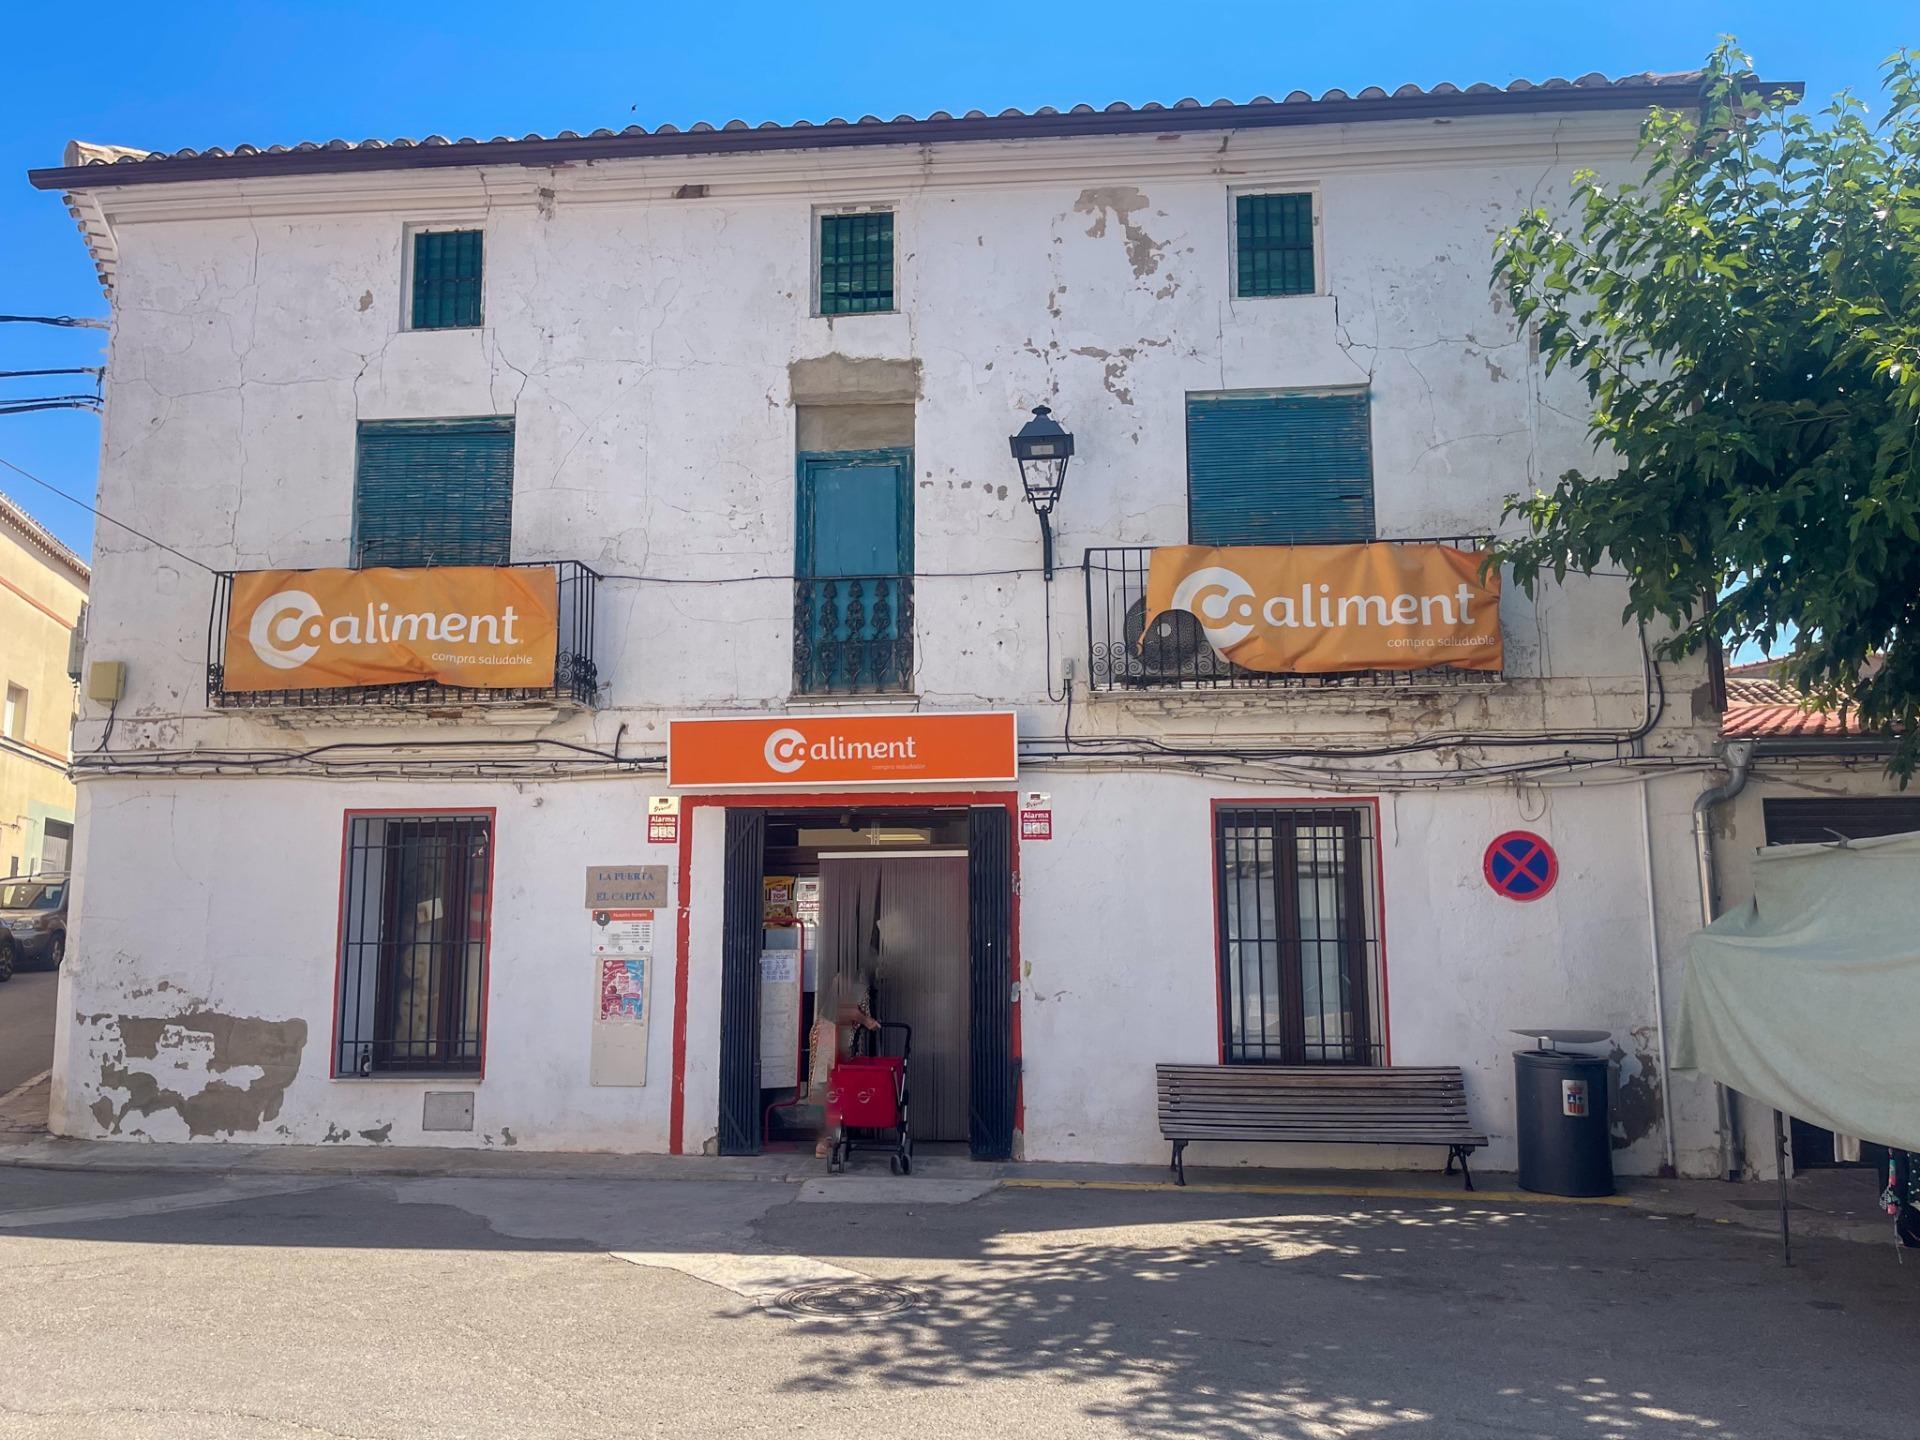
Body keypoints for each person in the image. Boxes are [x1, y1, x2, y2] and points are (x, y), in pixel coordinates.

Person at [810, 971, 879, 1160]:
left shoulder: (843, 976)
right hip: (832, 1039)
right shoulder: (853, 978)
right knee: (831, 1088)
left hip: (832, 1037)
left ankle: (833, 1135)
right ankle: (826, 1139)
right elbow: (848, 1010)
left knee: (833, 1088)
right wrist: (868, 1021)